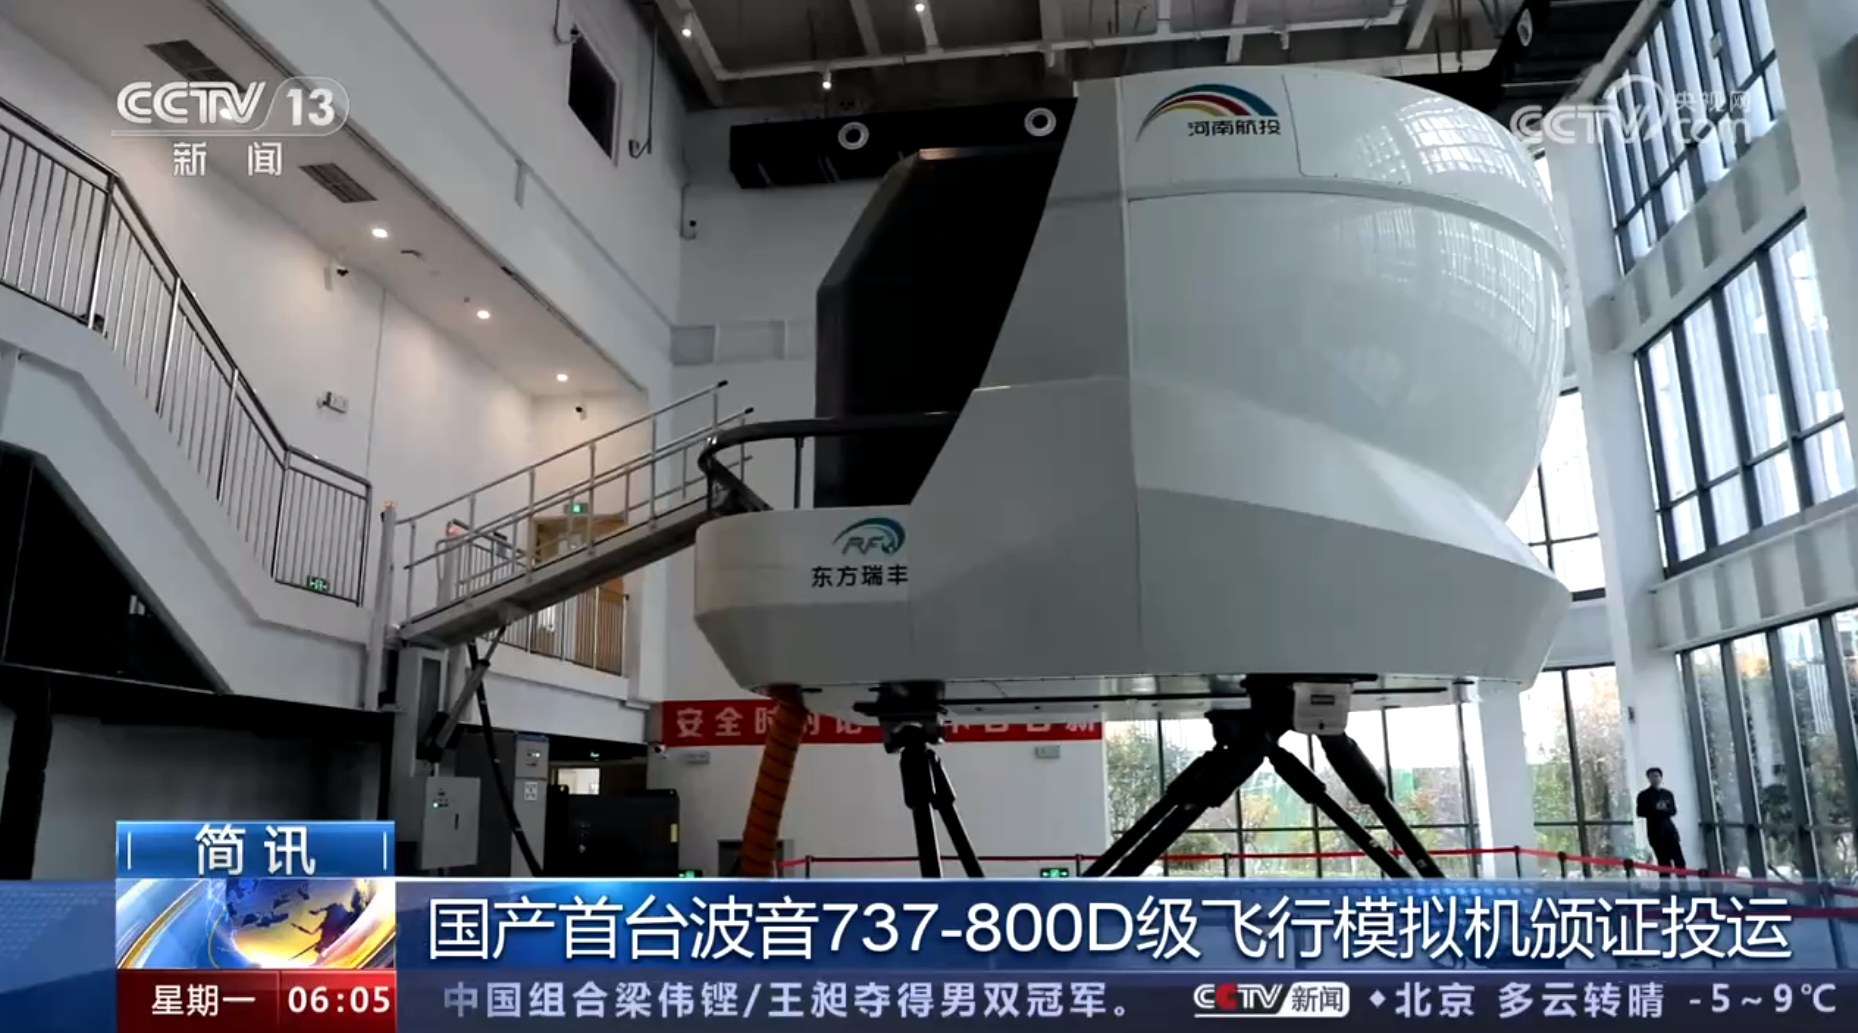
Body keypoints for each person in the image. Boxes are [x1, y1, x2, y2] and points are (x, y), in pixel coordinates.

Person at [1636, 767, 1687, 877]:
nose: (1655, 779)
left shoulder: (1667, 794)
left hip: (1669, 830)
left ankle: (1683, 884)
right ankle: (1666, 886)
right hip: (1655, 831)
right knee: (1663, 862)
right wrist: (1655, 809)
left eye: (1657, 776)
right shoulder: (1643, 795)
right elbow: (1640, 812)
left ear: (1661, 778)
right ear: (1648, 778)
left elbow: (1673, 811)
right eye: (1652, 776)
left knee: (1679, 860)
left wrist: (1664, 809)